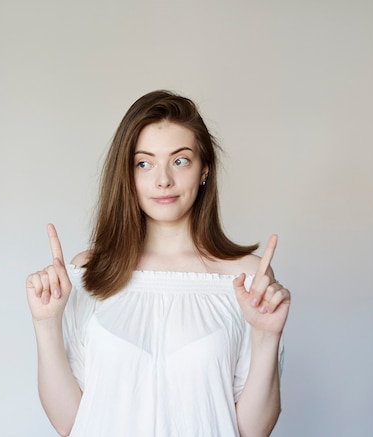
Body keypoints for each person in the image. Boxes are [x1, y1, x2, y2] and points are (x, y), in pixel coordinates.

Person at [26, 90, 291, 437]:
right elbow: (69, 423)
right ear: (128, 175)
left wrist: (267, 336)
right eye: (144, 163)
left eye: (180, 160)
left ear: (204, 171)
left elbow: (254, 430)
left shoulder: (244, 278)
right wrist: (46, 324)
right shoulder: (92, 273)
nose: (162, 179)